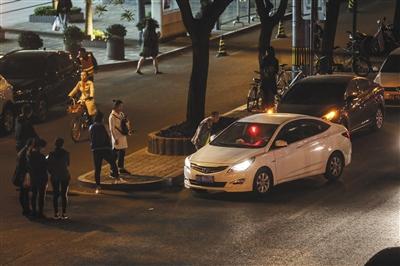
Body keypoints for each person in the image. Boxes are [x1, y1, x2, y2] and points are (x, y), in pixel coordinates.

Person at [89, 112, 120, 194]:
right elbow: (108, 136)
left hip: (95, 150)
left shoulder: (91, 127)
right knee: (112, 162)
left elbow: (91, 138)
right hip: (105, 148)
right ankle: (117, 178)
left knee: (97, 168)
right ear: (101, 119)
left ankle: (98, 186)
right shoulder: (104, 126)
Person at [47, 138, 70, 220]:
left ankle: (56, 213)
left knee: (55, 195)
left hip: (55, 176)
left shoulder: (51, 154)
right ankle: (64, 213)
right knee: (64, 195)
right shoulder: (66, 153)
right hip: (64, 175)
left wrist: (52, 172)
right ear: (62, 144)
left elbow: (48, 166)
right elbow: (67, 164)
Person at [27, 138, 48, 219]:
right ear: (39, 147)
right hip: (41, 177)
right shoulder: (41, 156)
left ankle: (34, 211)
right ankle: (40, 212)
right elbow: (45, 166)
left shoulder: (29, 155)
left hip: (33, 177)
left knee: (34, 195)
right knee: (41, 196)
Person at [109, 100, 131, 175]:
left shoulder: (121, 114)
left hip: (122, 136)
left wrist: (127, 123)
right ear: (116, 107)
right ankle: (112, 169)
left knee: (122, 151)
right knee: (115, 153)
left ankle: (121, 167)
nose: (121, 107)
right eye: (120, 106)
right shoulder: (112, 116)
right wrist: (115, 139)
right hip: (117, 137)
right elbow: (111, 129)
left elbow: (125, 123)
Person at [15, 138, 35, 216]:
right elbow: (26, 165)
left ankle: (25, 209)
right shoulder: (26, 153)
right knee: (25, 193)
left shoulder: (22, 151)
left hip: (21, 174)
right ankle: (26, 209)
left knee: (23, 193)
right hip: (24, 175)